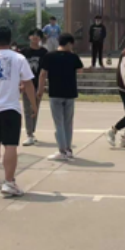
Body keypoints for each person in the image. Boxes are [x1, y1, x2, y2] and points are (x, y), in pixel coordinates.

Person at [0, 26, 37, 197]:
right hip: (10, 107)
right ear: (10, 40)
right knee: (10, 144)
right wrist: (33, 105)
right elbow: (29, 83)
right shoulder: (18, 58)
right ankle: (9, 182)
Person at [37, 33, 84, 161]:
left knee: (59, 123)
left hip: (55, 93)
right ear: (69, 43)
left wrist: (40, 90)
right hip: (70, 93)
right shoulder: (73, 57)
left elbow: (42, 74)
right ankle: (68, 149)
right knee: (68, 123)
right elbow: (80, 70)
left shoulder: (49, 56)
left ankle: (62, 151)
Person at [20, 29, 48, 146]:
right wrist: (21, 83)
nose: (35, 37)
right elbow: (19, 69)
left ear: (40, 38)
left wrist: (42, 87)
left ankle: (32, 131)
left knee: (35, 109)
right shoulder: (23, 52)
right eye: (33, 35)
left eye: (38, 36)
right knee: (27, 109)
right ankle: (29, 134)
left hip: (38, 83)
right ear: (29, 37)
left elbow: (45, 71)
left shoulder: (44, 52)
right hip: (26, 84)